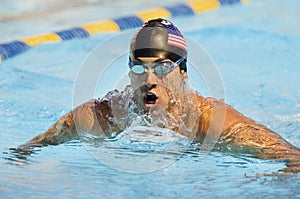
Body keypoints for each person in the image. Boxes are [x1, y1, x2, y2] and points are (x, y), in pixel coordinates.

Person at [18, 18, 300, 172]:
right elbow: (26, 150)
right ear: (129, 72)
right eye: (139, 68)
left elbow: (293, 159)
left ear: (183, 72)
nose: (149, 80)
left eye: (163, 68)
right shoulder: (104, 115)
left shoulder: (212, 123)